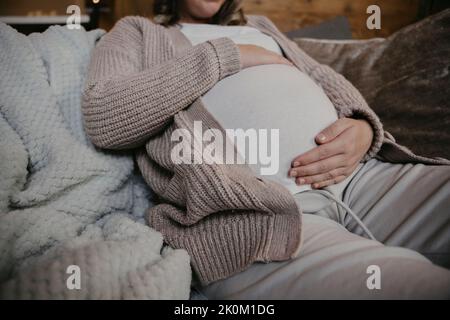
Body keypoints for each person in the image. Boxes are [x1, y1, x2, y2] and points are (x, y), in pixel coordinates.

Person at [82, 0, 450, 298]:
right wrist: (225, 56)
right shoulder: (139, 32)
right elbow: (104, 114)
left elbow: (326, 79)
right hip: (255, 216)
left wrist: (363, 128)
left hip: (363, 179)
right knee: (416, 286)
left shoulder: (260, 26)